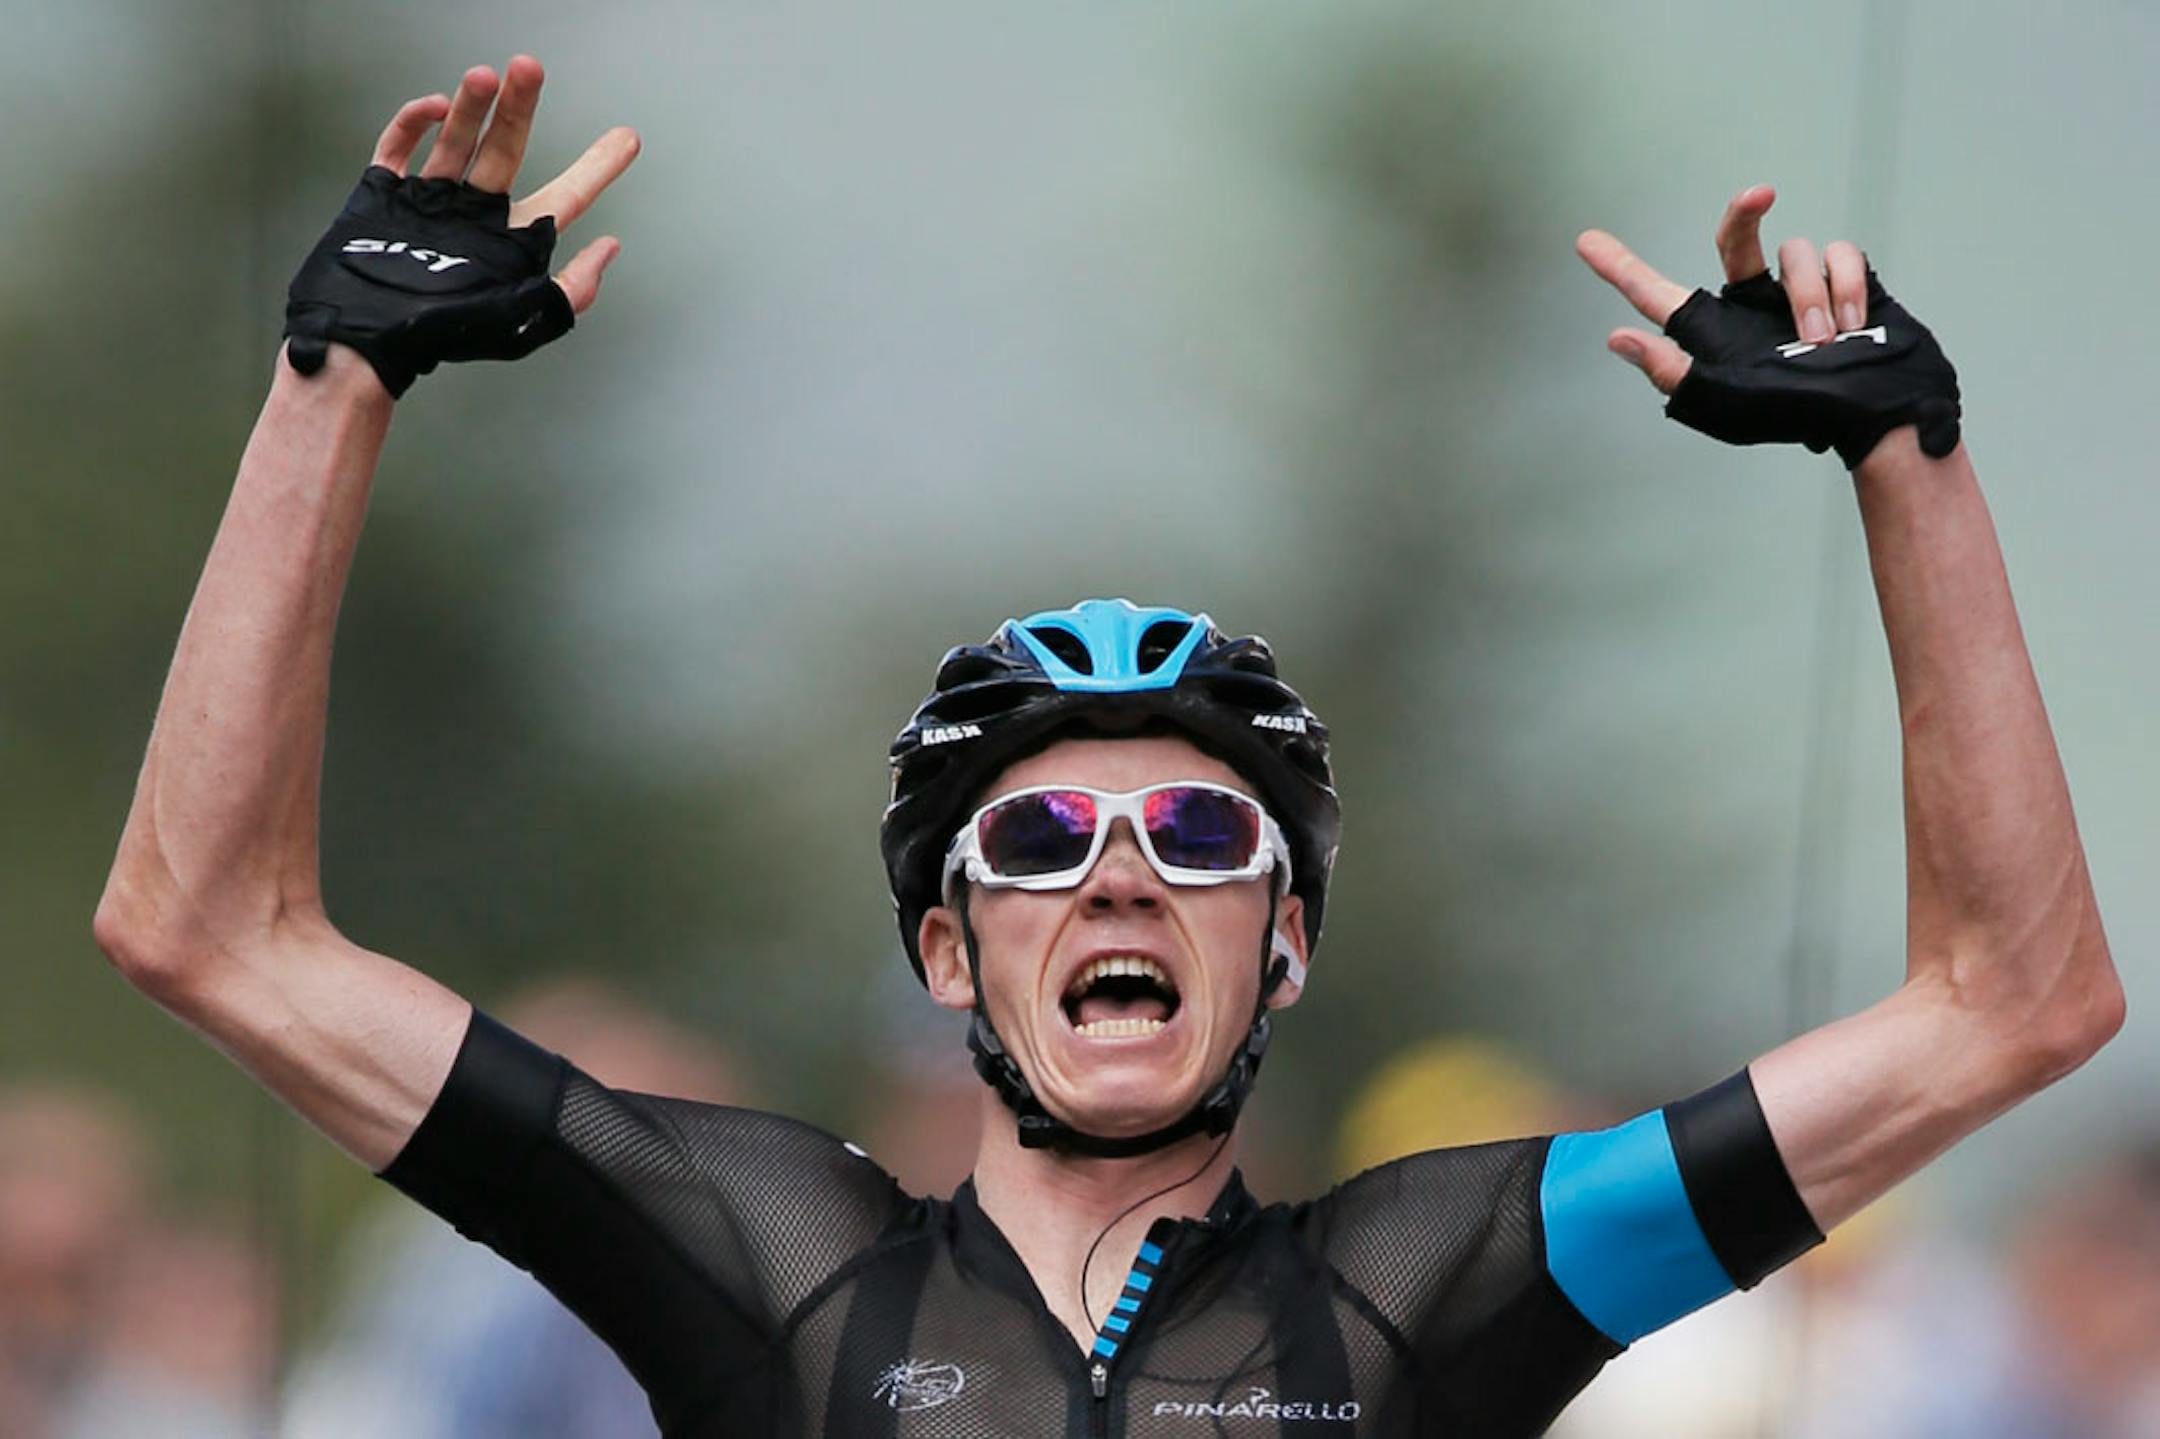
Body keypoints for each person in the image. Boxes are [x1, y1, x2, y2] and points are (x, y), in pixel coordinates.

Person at [92, 56, 2123, 1437]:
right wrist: (333, 379)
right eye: (1043, 834)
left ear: (1288, 948)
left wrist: (1906, 465)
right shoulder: (762, 1253)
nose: (1125, 871)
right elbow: (206, 928)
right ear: (946, 954)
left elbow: (2014, 1005)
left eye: (1201, 841)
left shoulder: (1437, 1282)